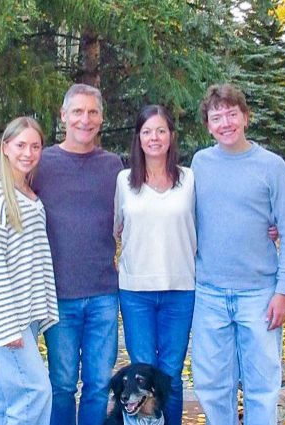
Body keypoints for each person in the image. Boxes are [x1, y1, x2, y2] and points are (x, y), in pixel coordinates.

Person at [191, 84, 285, 425]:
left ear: (245, 118)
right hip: (208, 293)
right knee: (212, 385)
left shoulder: (272, 166)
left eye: (231, 114)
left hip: (259, 294)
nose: (225, 123)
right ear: (208, 125)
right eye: (216, 117)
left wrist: (283, 291)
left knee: (262, 386)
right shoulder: (200, 163)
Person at [32, 84, 124, 425]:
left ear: (101, 118)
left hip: (103, 294)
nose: (85, 119)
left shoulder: (113, 166)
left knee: (99, 385)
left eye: (92, 112)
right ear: (63, 116)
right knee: (62, 385)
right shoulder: (42, 162)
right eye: (78, 112)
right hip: (58, 296)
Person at [0, 116, 59, 425]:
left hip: (26, 313)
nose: (28, 153)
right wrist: (7, 327)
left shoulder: (27, 193)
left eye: (35, 146)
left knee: (7, 397)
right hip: (6, 318)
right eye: (21, 145)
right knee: (35, 392)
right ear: (5, 147)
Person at [113, 105, 196, 425]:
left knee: (171, 374)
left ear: (171, 135)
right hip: (136, 291)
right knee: (142, 372)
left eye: (161, 130)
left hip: (180, 289)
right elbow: (116, 227)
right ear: (138, 137)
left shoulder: (189, 179)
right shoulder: (124, 181)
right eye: (147, 131)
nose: (154, 137)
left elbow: (207, 222)